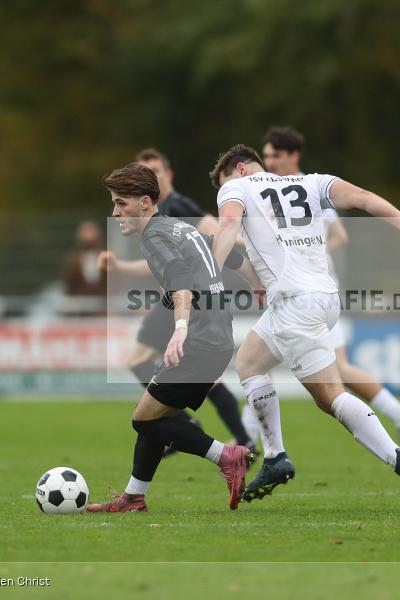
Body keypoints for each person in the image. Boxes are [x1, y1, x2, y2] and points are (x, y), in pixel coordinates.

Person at [209, 144, 400, 510]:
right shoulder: (311, 182)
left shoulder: (236, 186)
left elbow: (229, 223)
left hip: (294, 303)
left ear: (241, 169)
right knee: (248, 361)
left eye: (224, 183)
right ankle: (275, 456)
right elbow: (361, 197)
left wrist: (209, 278)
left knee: (329, 396)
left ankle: (397, 457)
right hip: (323, 298)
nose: (224, 191)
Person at [87, 162, 257, 513]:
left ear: (145, 202)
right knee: (154, 418)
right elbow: (225, 251)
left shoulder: (153, 236)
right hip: (216, 338)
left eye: (120, 203)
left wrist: (179, 329)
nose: (115, 213)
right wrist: (257, 280)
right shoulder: (179, 227)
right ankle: (134, 497)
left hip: (200, 341)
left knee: (143, 419)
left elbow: (180, 280)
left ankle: (228, 456)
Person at [250, 126, 400, 449]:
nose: (269, 162)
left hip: (309, 294)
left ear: (294, 155)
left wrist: (304, 254)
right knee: (259, 364)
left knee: (265, 365)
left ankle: (251, 440)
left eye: (276, 155)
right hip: (297, 292)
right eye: (267, 156)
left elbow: (340, 235)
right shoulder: (268, 190)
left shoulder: (307, 189)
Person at [62, 220, 107, 315]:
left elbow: (115, 284)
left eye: (91, 231)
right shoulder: (73, 259)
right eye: (85, 231)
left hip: (104, 309)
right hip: (80, 311)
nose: (88, 236)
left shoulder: (107, 256)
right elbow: (69, 286)